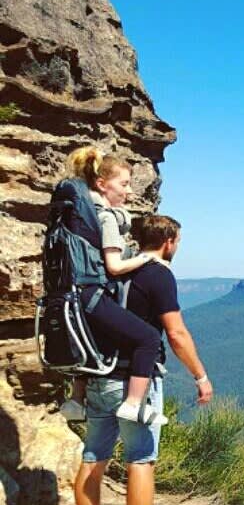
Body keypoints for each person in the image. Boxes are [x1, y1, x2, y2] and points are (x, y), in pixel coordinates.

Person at [74, 214, 213, 505]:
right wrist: (200, 375)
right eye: (178, 241)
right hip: (138, 380)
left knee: (92, 458)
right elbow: (176, 333)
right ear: (169, 241)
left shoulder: (112, 270)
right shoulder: (159, 273)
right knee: (140, 460)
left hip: (99, 378)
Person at [58, 147, 167, 425]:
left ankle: (75, 401)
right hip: (91, 294)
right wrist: (147, 258)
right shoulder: (105, 217)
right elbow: (114, 267)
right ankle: (134, 404)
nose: (129, 192)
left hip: (72, 295)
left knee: (95, 344)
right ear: (101, 184)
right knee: (149, 339)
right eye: (124, 184)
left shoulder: (80, 213)